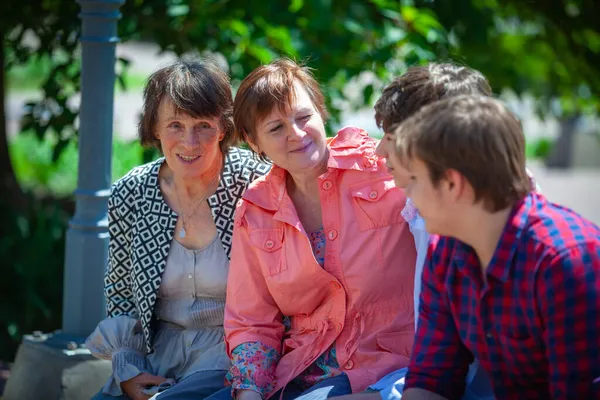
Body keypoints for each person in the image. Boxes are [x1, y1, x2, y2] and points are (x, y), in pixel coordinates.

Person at [207, 59, 418, 400]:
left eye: (304, 117)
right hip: (299, 371)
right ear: (253, 141)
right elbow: (252, 321)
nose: (296, 133)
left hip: (383, 368)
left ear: (321, 112)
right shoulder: (257, 210)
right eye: (275, 128)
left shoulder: (384, 170)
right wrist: (249, 391)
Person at [85, 59, 271, 400]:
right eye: (175, 125)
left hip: (234, 353)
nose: (189, 141)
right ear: (154, 128)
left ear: (223, 127)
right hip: (156, 356)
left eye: (203, 125)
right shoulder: (132, 192)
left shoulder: (255, 182)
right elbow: (121, 292)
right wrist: (128, 367)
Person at [396, 95, 600, 399]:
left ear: (453, 184)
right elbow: (432, 377)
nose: (405, 190)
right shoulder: (445, 253)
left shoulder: (565, 262)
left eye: (413, 178)